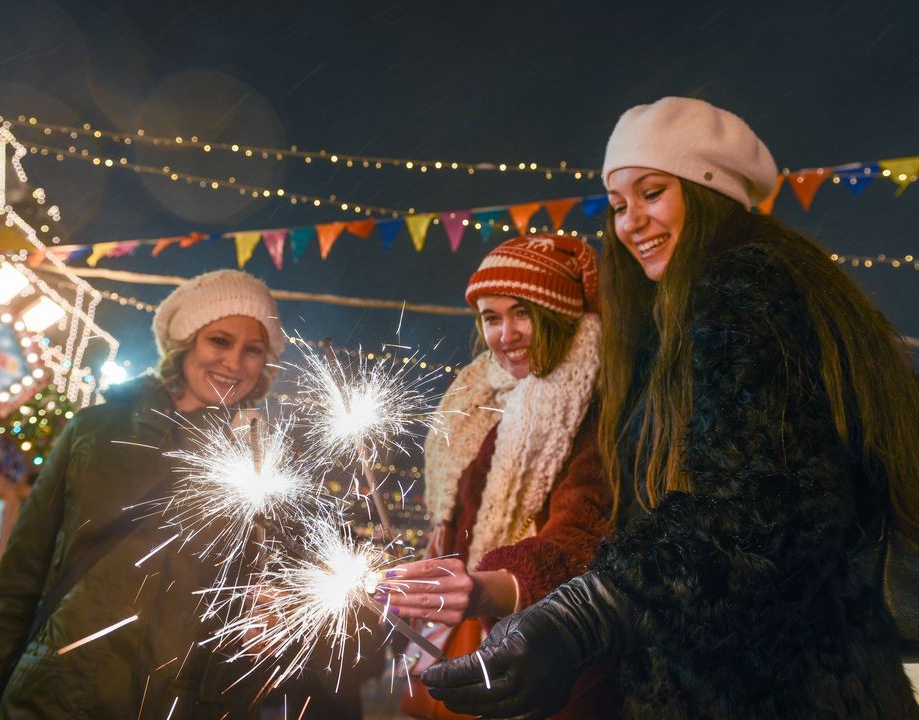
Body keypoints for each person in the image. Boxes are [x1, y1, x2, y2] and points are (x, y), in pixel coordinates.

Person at [422, 97, 919, 719]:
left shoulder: (745, 287)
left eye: (653, 192)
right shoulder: (682, 318)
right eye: (619, 204)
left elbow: (755, 505)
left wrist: (583, 616)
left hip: (770, 688)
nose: (632, 222)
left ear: (707, 191)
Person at [0, 269, 287, 719]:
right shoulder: (94, 431)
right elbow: (19, 584)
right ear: (186, 343)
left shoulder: (259, 469)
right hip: (52, 700)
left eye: (253, 350)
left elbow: (244, 609)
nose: (234, 363)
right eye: (219, 340)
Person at [381, 235, 616, 718]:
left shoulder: (599, 404)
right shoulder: (476, 395)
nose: (505, 334)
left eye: (523, 312)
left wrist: (490, 586)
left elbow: (582, 536)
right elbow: (453, 513)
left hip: (550, 647)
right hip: (465, 622)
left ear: (560, 313)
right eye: (491, 317)